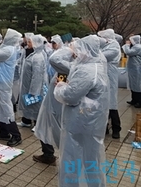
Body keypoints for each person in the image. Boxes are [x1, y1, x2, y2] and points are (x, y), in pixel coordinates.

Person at [54, 35, 109, 187]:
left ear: (87, 50)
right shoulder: (96, 64)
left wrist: (61, 86)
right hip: (90, 122)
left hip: (80, 123)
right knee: (90, 159)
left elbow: (69, 96)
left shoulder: (87, 70)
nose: (76, 53)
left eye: (79, 49)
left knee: (73, 158)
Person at [34, 35, 73, 165]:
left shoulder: (68, 68)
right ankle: (48, 153)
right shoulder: (68, 68)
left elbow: (54, 59)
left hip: (55, 105)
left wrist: (68, 49)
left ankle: (51, 155)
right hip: (52, 103)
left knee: (54, 129)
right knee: (45, 127)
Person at [0, 28, 23, 147]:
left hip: (3, 82)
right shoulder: (8, 48)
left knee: (5, 107)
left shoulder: (8, 50)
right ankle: (3, 132)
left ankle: (16, 135)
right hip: (0, 81)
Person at [18, 34, 48, 129]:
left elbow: (37, 76)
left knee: (36, 105)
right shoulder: (34, 54)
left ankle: (37, 124)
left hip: (35, 86)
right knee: (29, 105)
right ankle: (26, 121)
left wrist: (34, 91)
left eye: (30, 42)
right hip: (28, 84)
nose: (28, 43)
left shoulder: (38, 57)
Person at [98, 29, 122, 138]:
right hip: (103, 75)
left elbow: (102, 56)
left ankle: (116, 128)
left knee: (111, 103)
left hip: (110, 74)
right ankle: (105, 127)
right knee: (103, 103)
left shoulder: (114, 46)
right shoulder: (107, 45)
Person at [122, 35, 141, 107]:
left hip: (137, 69)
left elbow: (128, 52)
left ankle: (139, 101)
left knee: (137, 85)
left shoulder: (138, 47)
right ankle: (134, 100)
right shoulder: (136, 47)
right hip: (133, 69)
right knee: (133, 85)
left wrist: (126, 45)